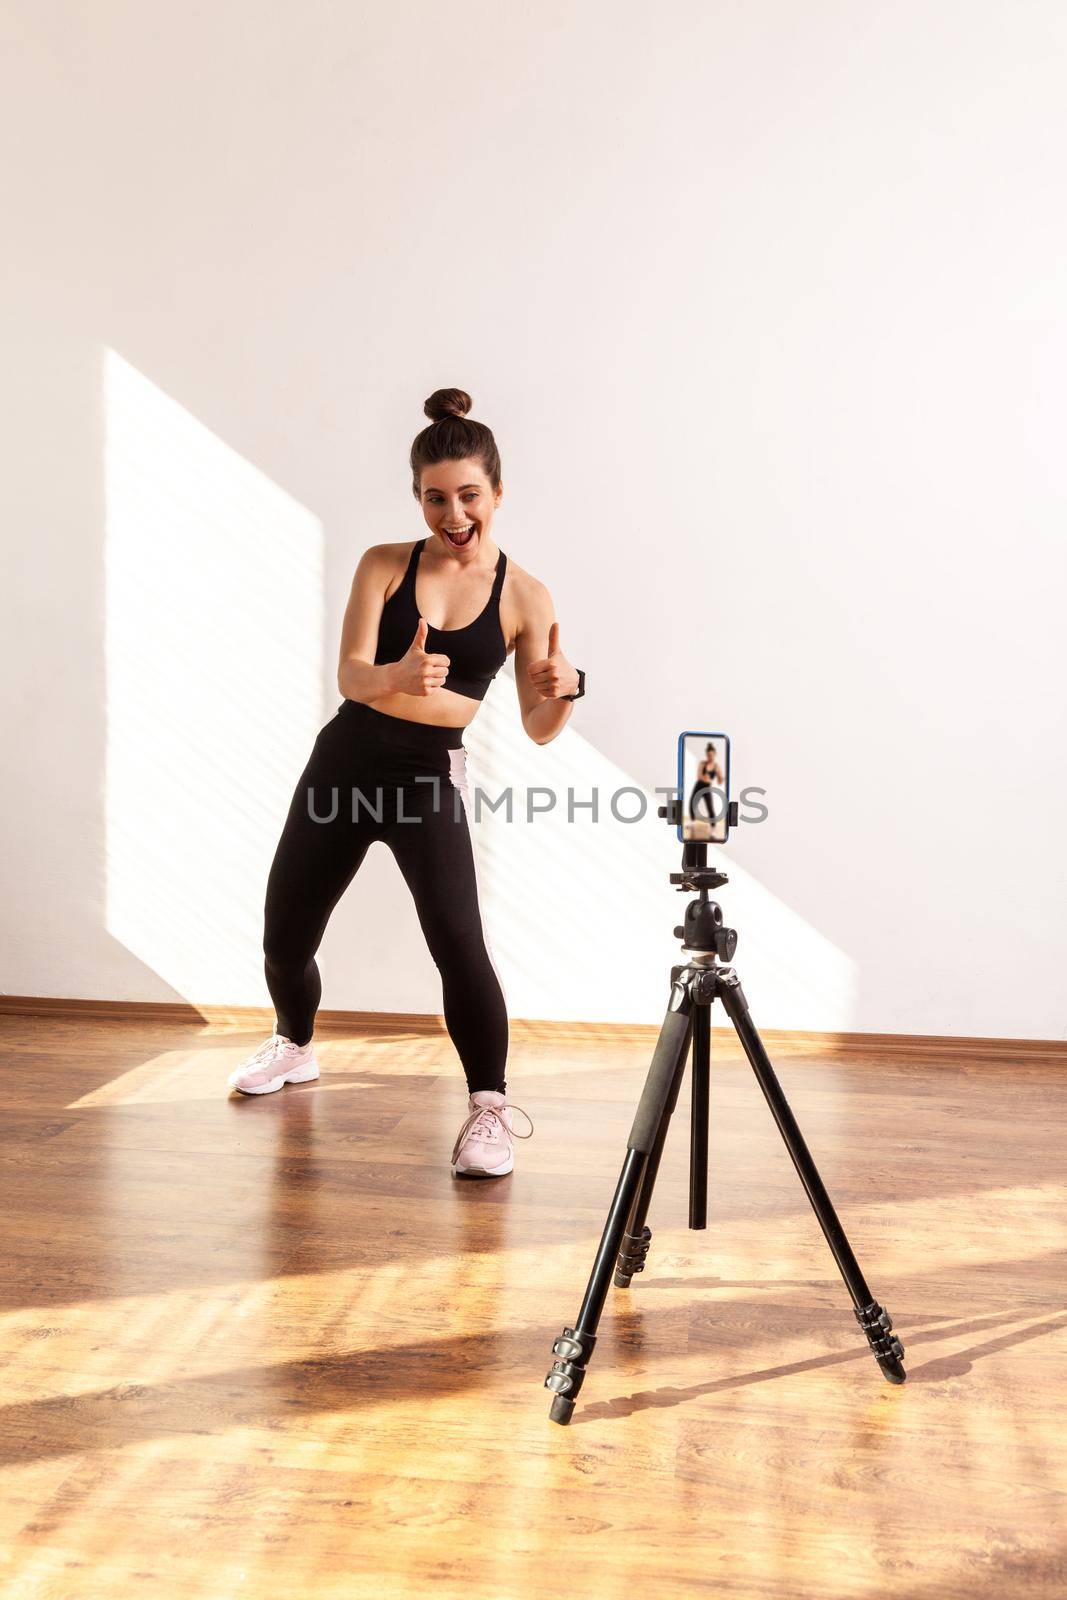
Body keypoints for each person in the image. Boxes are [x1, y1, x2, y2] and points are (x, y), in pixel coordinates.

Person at [227, 388, 586, 1179]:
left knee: (459, 945)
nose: (452, 513)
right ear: (416, 496)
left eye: (468, 496)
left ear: (497, 493)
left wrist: (563, 686)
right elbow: (352, 676)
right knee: (284, 937)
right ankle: (296, 1045)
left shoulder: (524, 596)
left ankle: (488, 1111)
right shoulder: (385, 565)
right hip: (344, 766)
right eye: (434, 497)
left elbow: (536, 724)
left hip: (427, 778)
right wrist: (394, 672)